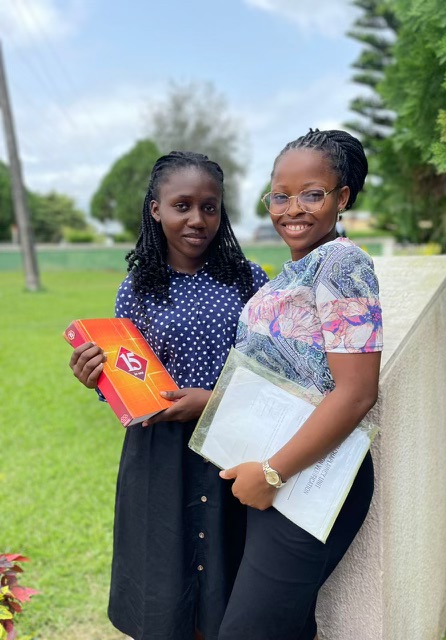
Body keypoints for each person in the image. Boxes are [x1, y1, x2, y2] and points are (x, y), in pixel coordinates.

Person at [69, 151, 268, 640]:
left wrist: (213, 401)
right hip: (160, 453)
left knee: (227, 577)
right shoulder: (136, 289)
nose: (197, 219)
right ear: (156, 209)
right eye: (182, 205)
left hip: (232, 444)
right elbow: (127, 378)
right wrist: (96, 378)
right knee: (164, 583)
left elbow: (272, 372)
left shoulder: (250, 281)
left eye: (209, 207)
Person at [217, 129, 383, 640]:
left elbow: (357, 392)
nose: (292, 209)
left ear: (342, 197)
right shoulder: (295, 271)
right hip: (278, 470)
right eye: (280, 196)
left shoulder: (343, 264)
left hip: (308, 476)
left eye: (312, 194)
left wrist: (272, 473)